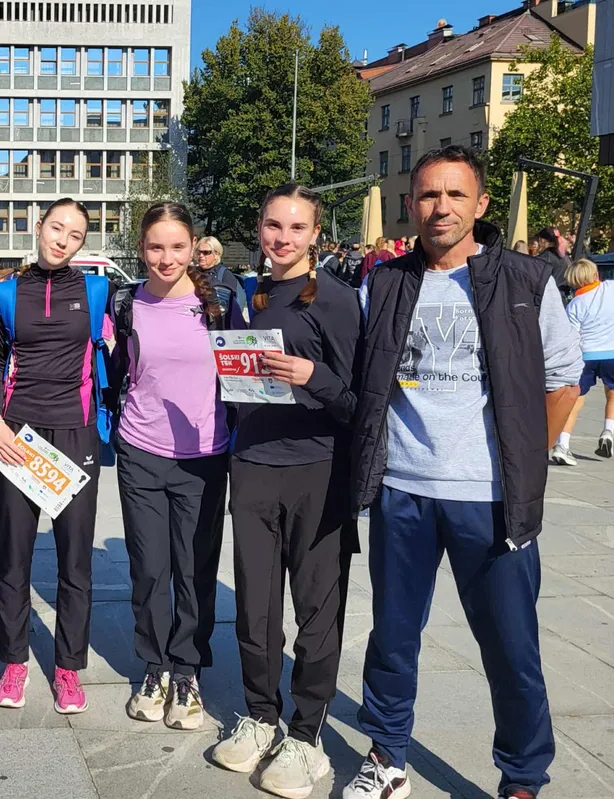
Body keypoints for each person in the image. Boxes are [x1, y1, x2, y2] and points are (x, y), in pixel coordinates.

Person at [346, 146, 582, 799]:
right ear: (411, 205)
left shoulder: (527, 280)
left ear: (480, 205)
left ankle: (522, 777)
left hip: (492, 497)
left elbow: (562, 379)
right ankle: (387, 756)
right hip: (404, 490)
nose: (440, 207)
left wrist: (526, 454)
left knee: (511, 649)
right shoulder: (384, 281)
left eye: (455, 195)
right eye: (427, 195)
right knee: (392, 638)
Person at [213, 185, 361, 798]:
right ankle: (260, 714)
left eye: (296, 229)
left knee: (316, 611)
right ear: (259, 227)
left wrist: (314, 375)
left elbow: (360, 402)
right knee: (254, 606)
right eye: (273, 225)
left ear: (315, 236)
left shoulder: (339, 299)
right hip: (253, 464)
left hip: (317, 469)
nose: (282, 238)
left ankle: (307, 735)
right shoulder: (251, 294)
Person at [112, 202, 240, 730]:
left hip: (205, 457)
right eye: (156, 247)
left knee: (194, 569)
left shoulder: (222, 305)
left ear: (195, 249)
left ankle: (187, 670)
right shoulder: (125, 303)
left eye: (177, 247)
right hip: (139, 451)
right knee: (148, 570)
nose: (166, 258)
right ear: (141, 249)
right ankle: (154, 665)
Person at [0, 199, 110, 715]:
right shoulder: (5, 292)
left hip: (77, 434)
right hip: (19, 434)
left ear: (83, 244)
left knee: (75, 560)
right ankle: (14, 662)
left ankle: (67, 669)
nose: (62, 239)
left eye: (75, 235)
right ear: (38, 227)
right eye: (56, 228)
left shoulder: (98, 290)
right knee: (13, 556)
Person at [551, 258, 614, 465]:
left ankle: (563, 444)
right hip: (612, 353)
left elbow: (571, 335)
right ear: (596, 275)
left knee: (575, 401)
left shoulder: (575, 304)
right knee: (613, 394)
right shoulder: (612, 289)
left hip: (584, 356)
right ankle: (608, 431)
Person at [195, 235, 249, 317]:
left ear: (216, 254)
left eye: (206, 252)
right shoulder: (193, 273)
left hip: (217, 324)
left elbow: (230, 305)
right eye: (199, 252)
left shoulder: (225, 274)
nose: (201, 256)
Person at [531, 227, 571, 303]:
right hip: (563, 297)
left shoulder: (545, 257)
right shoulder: (564, 256)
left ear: (541, 240)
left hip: (548, 299)